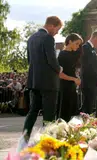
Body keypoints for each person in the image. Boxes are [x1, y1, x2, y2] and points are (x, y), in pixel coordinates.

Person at [20, 16, 72, 146]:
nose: (57, 32)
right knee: (49, 115)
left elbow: (29, 60)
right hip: (48, 83)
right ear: (52, 26)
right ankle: (46, 142)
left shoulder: (31, 38)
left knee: (32, 111)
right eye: (57, 29)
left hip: (34, 81)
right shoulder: (48, 38)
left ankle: (24, 140)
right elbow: (52, 60)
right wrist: (59, 68)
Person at [57, 33, 83, 122]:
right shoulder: (62, 55)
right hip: (64, 86)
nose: (78, 46)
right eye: (76, 43)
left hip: (72, 86)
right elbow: (60, 74)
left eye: (79, 44)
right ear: (70, 41)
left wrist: (77, 77)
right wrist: (74, 79)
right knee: (64, 112)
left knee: (72, 112)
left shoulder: (74, 54)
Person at [80, 31, 97, 114]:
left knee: (90, 105)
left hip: (93, 82)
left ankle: (87, 123)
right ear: (96, 38)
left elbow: (96, 66)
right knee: (87, 106)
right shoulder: (85, 48)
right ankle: (86, 124)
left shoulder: (92, 49)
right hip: (88, 81)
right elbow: (90, 66)